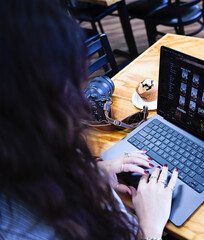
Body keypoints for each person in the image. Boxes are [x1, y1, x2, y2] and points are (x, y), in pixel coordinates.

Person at [0, 1, 178, 240]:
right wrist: (151, 228)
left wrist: (94, 174)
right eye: (67, 85)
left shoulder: (29, 154)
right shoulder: (22, 229)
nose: (81, 103)